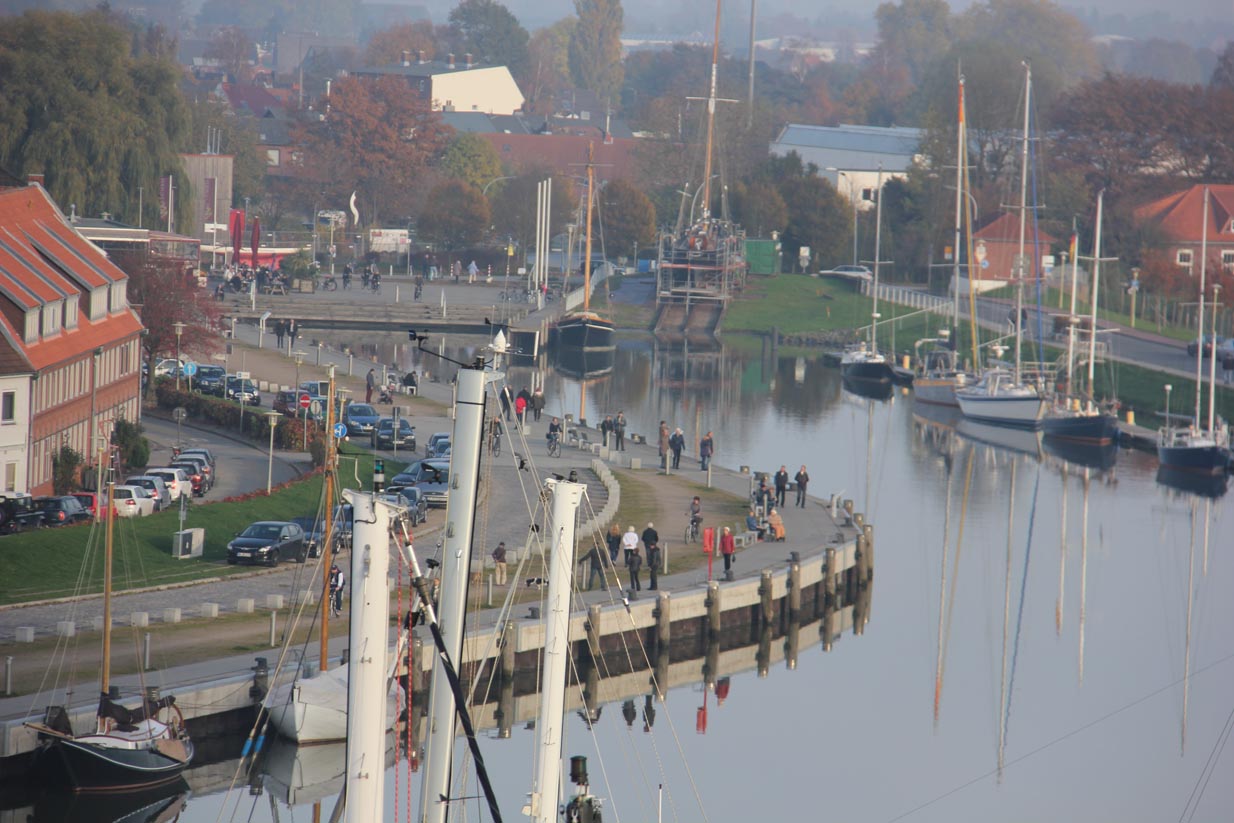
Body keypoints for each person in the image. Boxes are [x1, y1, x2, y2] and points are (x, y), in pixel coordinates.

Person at [641, 522, 660, 590]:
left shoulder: (645, 531)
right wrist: (654, 542)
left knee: (648, 555)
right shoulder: (654, 532)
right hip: (652, 543)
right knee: (651, 555)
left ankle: (649, 563)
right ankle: (649, 563)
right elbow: (657, 538)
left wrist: (646, 542)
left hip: (646, 544)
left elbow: (642, 538)